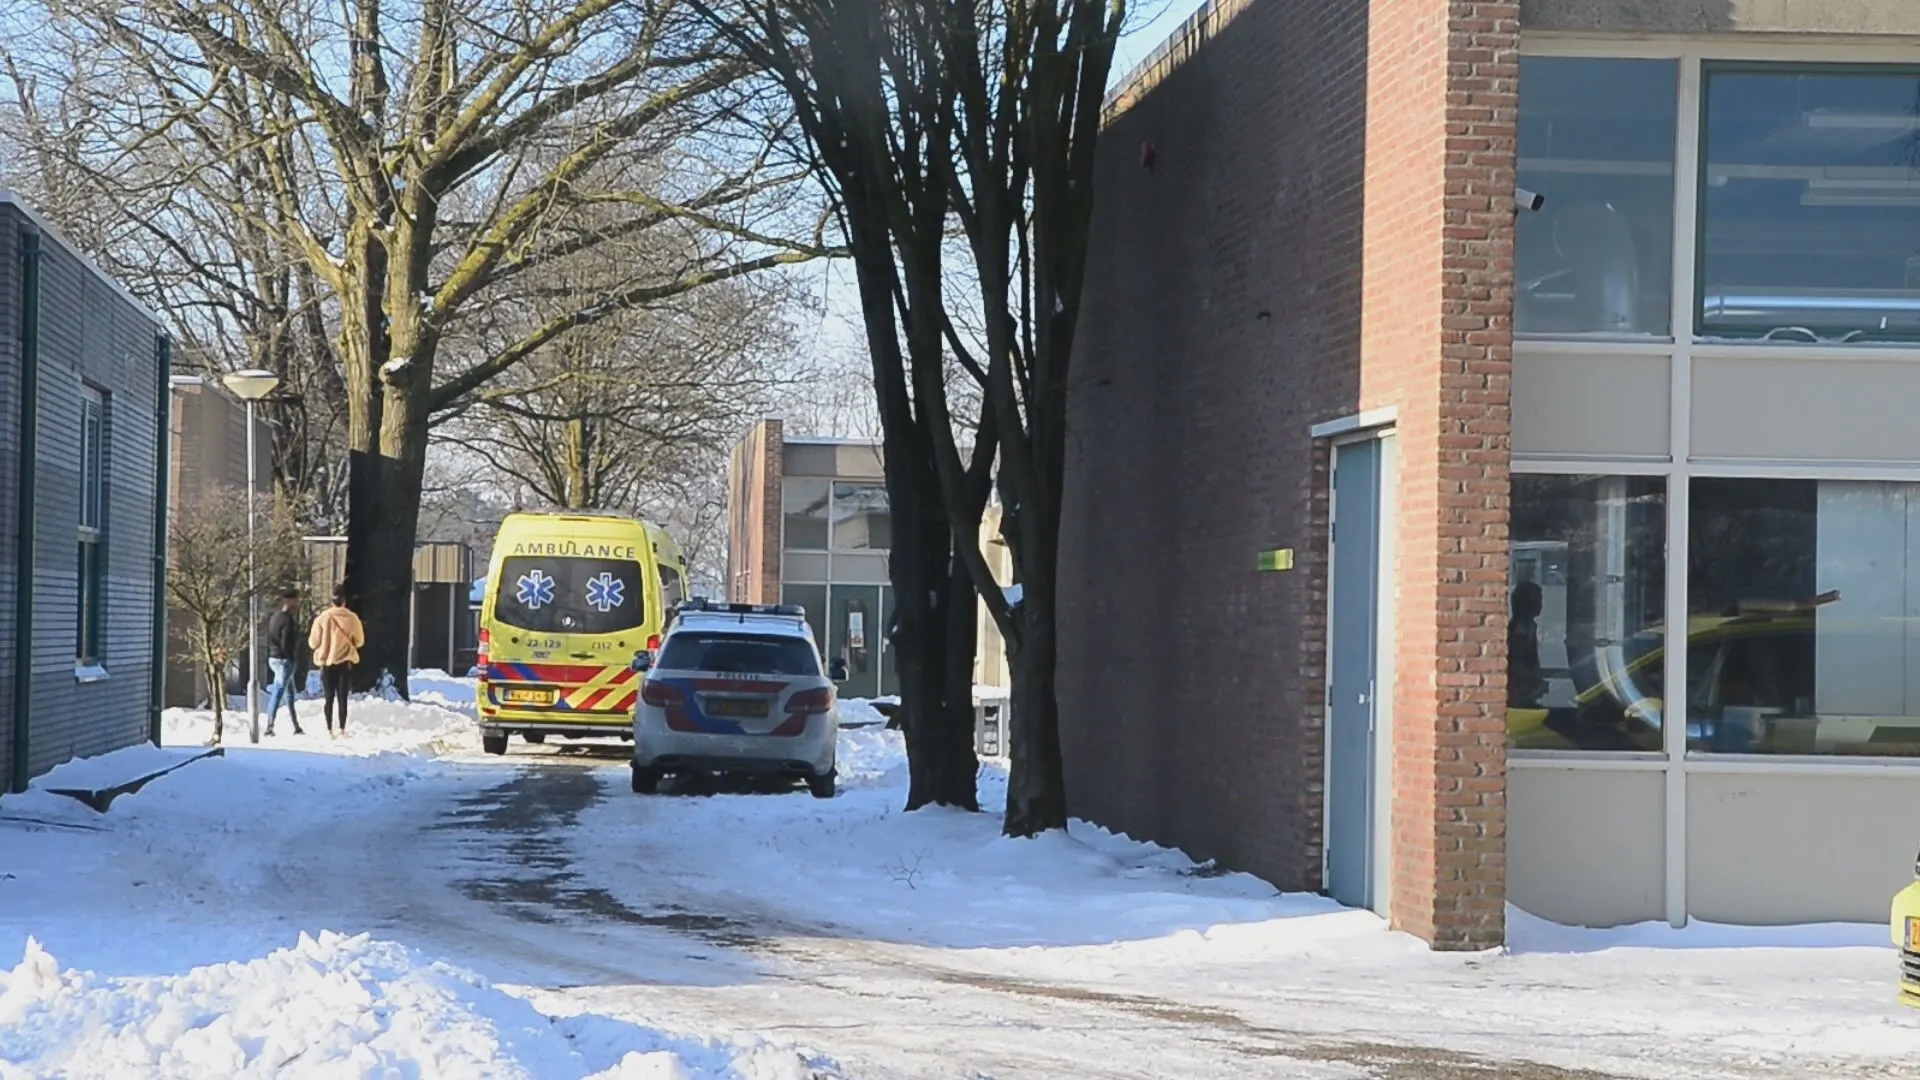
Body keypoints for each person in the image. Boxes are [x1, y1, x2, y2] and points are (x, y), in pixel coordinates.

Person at [308, 588, 366, 738]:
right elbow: (360, 641)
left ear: (331, 602)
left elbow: (313, 643)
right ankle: (342, 729)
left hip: (327, 663)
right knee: (343, 698)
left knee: (328, 697)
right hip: (344, 662)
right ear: (345, 601)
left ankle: (328, 729)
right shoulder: (353, 618)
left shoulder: (322, 618)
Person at [263, 590, 305, 737]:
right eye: (296, 600)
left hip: (274, 658)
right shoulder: (288, 620)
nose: (298, 603)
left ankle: (296, 726)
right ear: (289, 602)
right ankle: (269, 726)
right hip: (284, 660)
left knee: (289, 693)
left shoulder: (274, 617)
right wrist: (291, 657)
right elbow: (286, 641)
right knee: (279, 690)